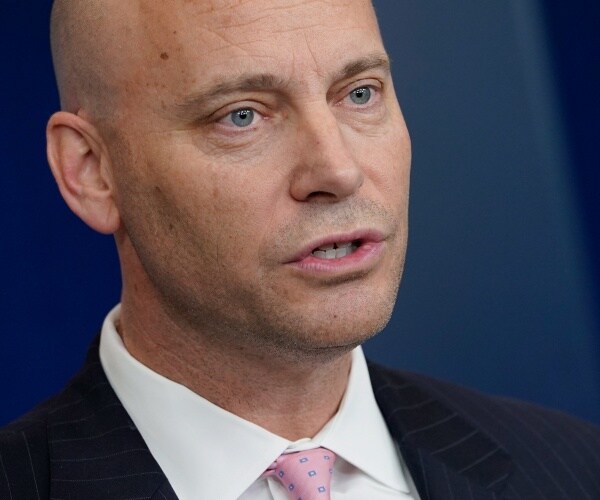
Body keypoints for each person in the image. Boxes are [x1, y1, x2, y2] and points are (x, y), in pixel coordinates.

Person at [1, 1, 598, 499]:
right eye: (242, 116)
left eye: (359, 94)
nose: (338, 170)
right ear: (93, 171)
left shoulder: (574, 468)